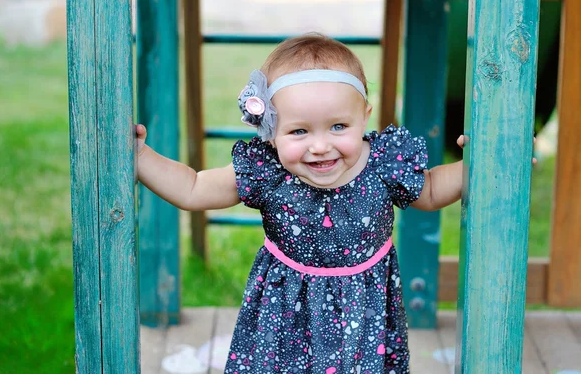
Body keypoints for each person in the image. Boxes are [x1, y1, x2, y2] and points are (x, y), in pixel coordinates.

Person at [137, 33, 470, 373]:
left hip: (363, 316)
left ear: (364, 117)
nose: (321, 146)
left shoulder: (382, 164)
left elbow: (429, 191)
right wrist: (141, 158)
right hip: (285, 314)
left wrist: (474, 166)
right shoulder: (269, 170)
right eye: (299, 132)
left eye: (338, 126)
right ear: (271, 130)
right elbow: (193, 188)